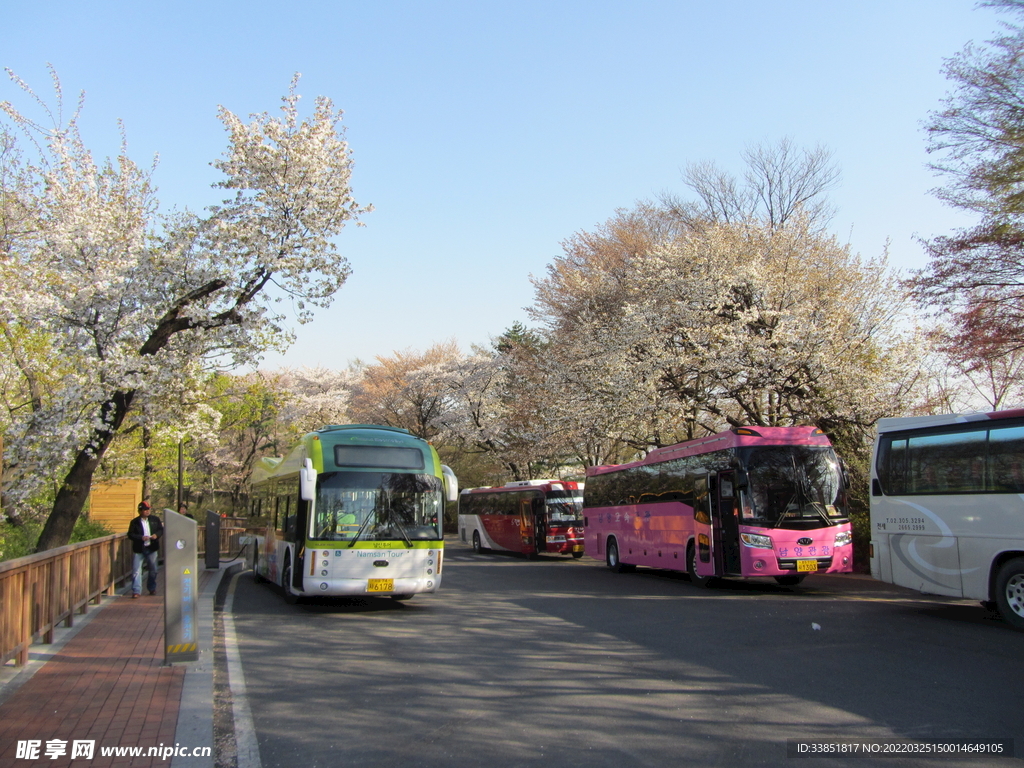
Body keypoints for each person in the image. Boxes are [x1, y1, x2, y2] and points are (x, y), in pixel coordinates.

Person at [127, 501, 163, 598]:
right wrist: (141, 537)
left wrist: (156, 535)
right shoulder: (134, 522)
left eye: (148, 509)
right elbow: (130, 534)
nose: (147, 511)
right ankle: (136, 590)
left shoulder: (155, 519)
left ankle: (151, 588)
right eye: (145, 510)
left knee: (153, 570)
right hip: (139, 549)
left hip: (152, 548)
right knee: (136, 570)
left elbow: (160, 530)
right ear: (140, 511)